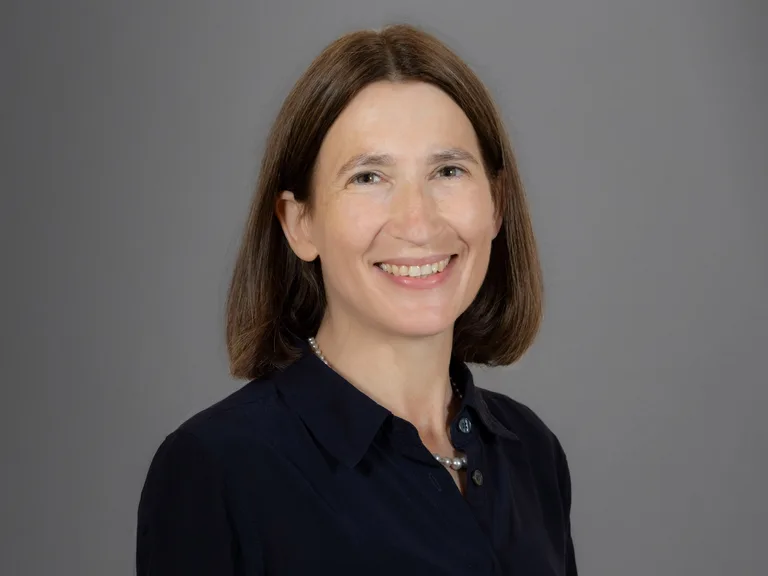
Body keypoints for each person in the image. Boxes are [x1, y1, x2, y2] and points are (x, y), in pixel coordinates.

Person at [136, 23, 577, 575]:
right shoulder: (219, 469)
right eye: (369, 177)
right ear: (299, 224)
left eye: (448, 171)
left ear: (497, 204)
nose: (418, 222)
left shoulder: (532, 453)